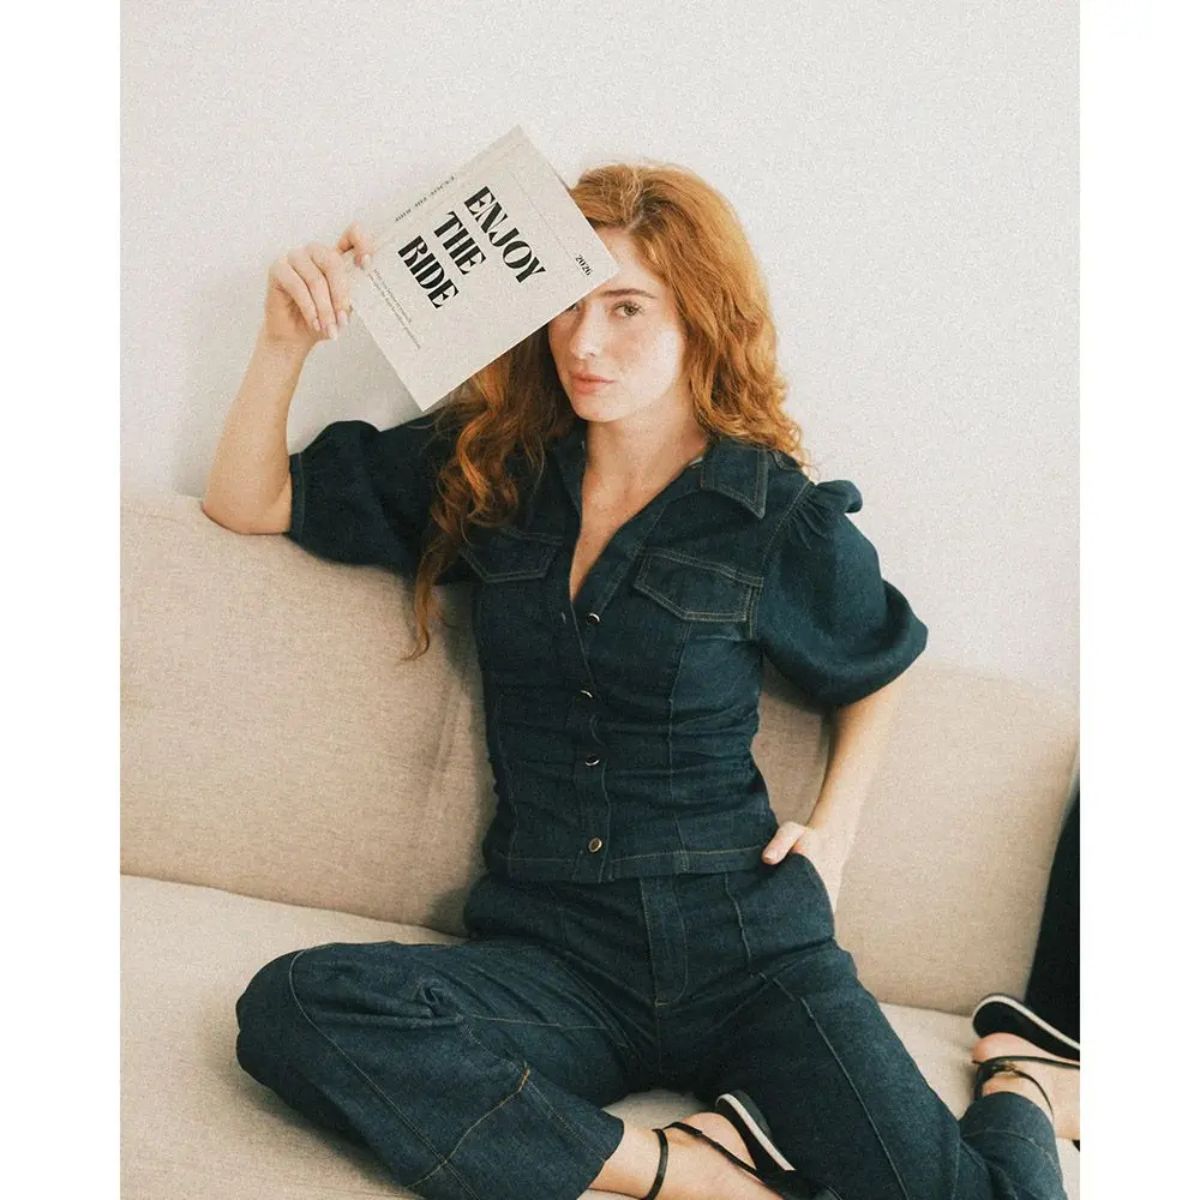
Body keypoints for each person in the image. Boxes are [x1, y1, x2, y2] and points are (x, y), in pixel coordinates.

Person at [205, 161, 1080, 1200]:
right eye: (568, 306)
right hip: (558, 955)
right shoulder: (491, 468)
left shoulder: (773, 514)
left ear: (702, 320)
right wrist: (285, 343)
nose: (583, 343)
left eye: (627, 308)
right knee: (299, 1006)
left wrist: (835, 828)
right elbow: (249, 502)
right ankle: (688, 1166)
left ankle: (1025, 1080)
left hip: (751, 952)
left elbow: (878, 662)